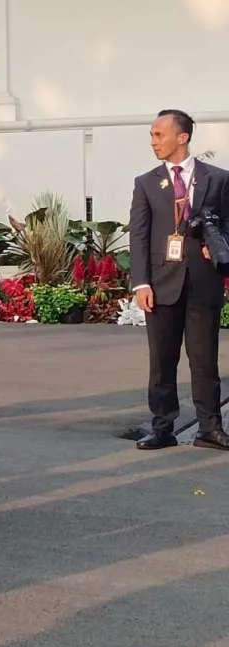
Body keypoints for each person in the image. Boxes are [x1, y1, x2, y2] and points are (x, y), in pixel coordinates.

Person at [130, 109, 229, 451]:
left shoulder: (218, 179)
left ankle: (210, 428)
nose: (153, 141)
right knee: (162, 360)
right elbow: (138, 236)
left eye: (159, 134)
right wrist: (141, 283)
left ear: (182, 137)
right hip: (160, 285)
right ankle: (162, 427)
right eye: (152, 135)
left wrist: (218, 245)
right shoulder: (146, 183)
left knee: (204, 360)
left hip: (203, 282)